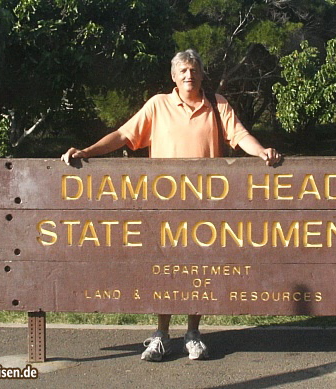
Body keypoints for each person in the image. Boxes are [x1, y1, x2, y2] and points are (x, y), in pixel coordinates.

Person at [61, 49, 281, 362]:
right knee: (163, 271)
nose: (189, 76)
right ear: (173, 77)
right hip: (164, 206)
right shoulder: (158, 105)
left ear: (202, 74)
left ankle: (193, 334)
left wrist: (260, 152)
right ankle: (161, 335)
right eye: (183, 71)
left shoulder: (217, 105)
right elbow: (125, 134)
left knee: (199, 271)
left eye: (194, 70)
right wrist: (87, 151)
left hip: (205, 206)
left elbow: (239, 135)